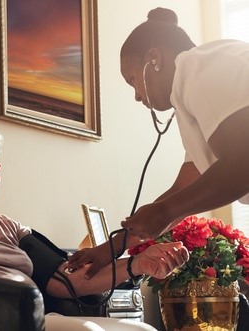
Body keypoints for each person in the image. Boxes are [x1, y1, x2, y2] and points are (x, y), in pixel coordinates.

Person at [0, 123, 189, 331]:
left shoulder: (7, 226)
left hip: (29, 314)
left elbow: (67, 281)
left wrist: (136, 264)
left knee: (142, 329)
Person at [69, 7, 249, 278]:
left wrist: (166, 211)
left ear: (154, 59)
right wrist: (111, 247)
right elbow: (183, 188)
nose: (137, 97)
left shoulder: (198, 67)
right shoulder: (195, 92)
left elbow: (242, 165)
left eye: (132, 81)